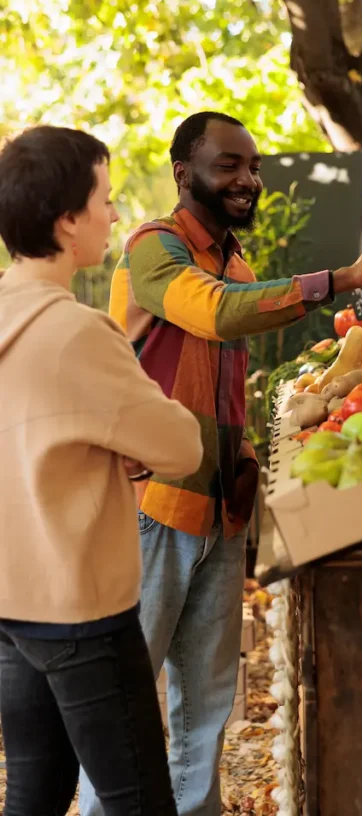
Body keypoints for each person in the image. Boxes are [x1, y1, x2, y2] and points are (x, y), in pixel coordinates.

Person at [80, 111, 362, 816]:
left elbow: (223, 376)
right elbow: (216, 314)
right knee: (125, 704)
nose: (247, 180)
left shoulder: (235, 261)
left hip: (220, 514)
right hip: (150, 511)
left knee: (205, 711)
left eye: (252, 167)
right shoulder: (153, 252)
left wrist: (245, 457)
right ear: (184, 173)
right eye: (228, 165)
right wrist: (343, 277)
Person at [0, 125, 204, 816]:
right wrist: (125, 446)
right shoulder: (81, 332)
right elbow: (181, 447)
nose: (114, 215)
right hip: (81, 608)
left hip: (10, 605)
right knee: (139, 801)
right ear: (66, 220)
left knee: (33, 791)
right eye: (105, 199)